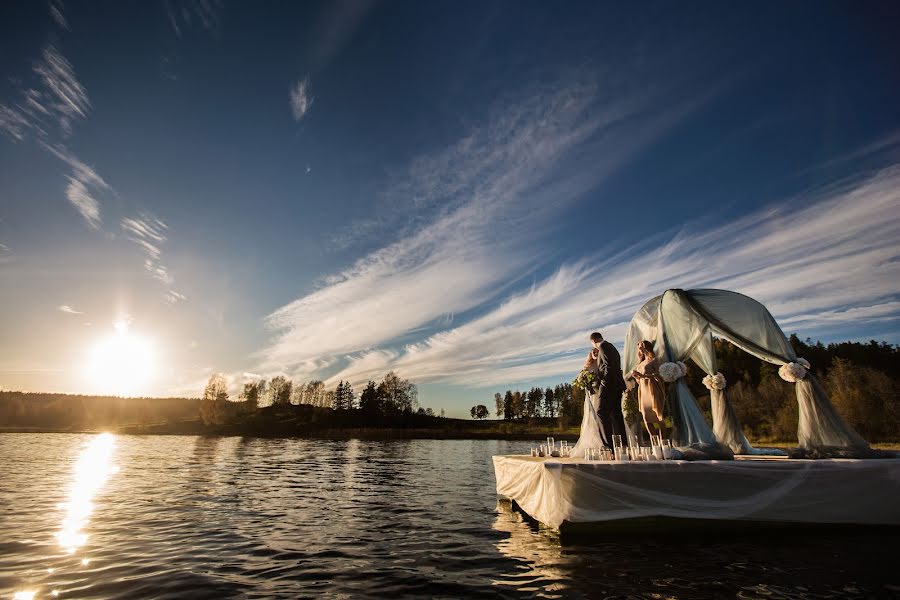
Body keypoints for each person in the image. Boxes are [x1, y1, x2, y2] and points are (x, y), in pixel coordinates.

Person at [584, 332, 627, 448]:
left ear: (593, 341)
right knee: (615, 415)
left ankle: (609, 446)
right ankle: (622, 445)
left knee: (601, 413)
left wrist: (603, 384)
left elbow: (609, 367)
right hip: (616, 386)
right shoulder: (610, 346)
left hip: (609, 386)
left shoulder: (603, 347)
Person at [629, 340, 667, 440]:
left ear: (647, 347)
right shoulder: (640, 363)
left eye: (642, 346)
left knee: (658, 417)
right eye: (639, 347)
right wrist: (637, 377)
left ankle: (663, 443)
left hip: (652, 389)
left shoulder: (654, 360)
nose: (640, 349)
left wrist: (643, 375)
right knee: (646, 419)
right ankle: (655, 442)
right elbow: (639, 380)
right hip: (643, 391)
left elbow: (659, 375)